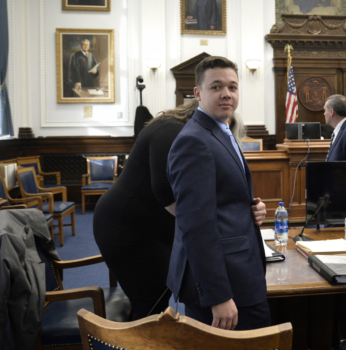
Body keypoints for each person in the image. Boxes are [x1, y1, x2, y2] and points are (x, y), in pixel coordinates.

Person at [93, 100, 265, 321]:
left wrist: (247, 208)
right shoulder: (172, 131)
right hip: (126, 228)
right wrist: (225, 223)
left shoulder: (188, 132)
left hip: (154, 226)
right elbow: (168, 194)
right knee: (150, 302)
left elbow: (214, 194)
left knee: (161, 295)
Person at [166, 56, 270, 330]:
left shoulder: (220, 130)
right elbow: (196, 226)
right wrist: (218, 295)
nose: (227, 94)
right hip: (224, 284)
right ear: (198, 93)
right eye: (216, 87)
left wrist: (250, 209)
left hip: (238, 272)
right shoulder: (193, 140)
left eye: (233, 87)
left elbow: (221, 200)